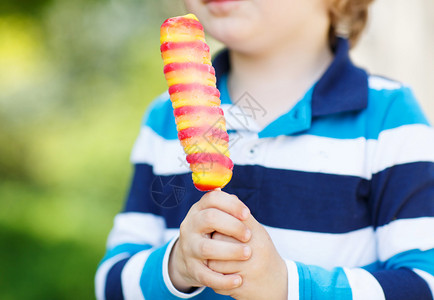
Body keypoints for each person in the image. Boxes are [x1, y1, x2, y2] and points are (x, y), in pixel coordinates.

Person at [95, 0, 434, 299]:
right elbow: (110, 280)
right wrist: (176, 267)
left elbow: (423, 284)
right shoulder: (165, 120)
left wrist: (287, 286)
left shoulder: (388, 119)